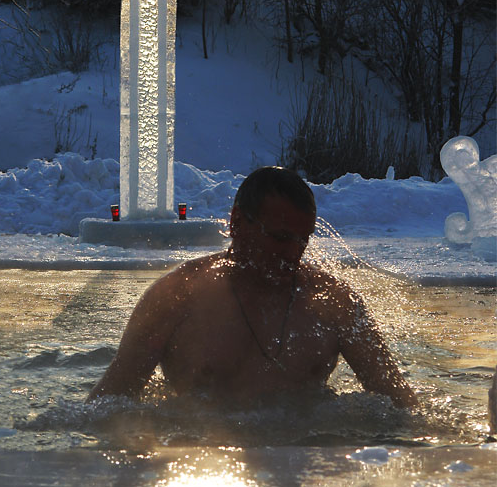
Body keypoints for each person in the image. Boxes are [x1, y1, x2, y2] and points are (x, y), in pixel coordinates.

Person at [86, 166, 417, 408]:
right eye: (280, 238)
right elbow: (107, 403)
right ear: (236, 223)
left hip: (304, 465)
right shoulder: (177, 297)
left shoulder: (334, 303)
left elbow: (401, 404)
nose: (292, 254)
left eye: (302, 241)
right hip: (206, 464)